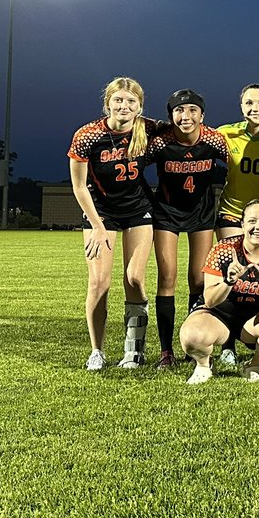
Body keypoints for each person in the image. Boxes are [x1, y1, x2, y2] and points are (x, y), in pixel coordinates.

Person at [68, 77, 157, 370]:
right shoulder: (87, 135)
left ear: (140, 107)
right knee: (98, 282)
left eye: (131, 101)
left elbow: (184, 129)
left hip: (138, 209)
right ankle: (97, 350)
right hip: (100, 212)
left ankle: (134, 350)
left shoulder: (148, 129)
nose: (124, 106)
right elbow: (79, 187)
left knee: (134, 278)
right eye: (118, 100)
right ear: (108, 104)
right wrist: (97, 225)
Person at [145, 88, 229, 368]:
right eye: (179, 111)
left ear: (202, 116)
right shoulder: (160, 143)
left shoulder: (214, 140)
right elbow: (133, 166)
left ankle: (194, 346)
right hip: (167, 213)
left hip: (201, 214)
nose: (186, 116)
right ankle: (166, 351)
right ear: (171, 116)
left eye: (193, 110)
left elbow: (238, 162)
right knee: (167, 277)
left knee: (198, 280)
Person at [179, 200, 259, 384]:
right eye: (252, 221)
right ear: (242, 224)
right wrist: (228, 281)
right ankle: (203, 365)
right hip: (218, 315)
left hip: (254, 320)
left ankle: (254, 365)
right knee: (192, 336)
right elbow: (209, 300)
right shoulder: (224, 249)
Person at [216, 83, 259, 239]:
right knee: (234, 262)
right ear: (242, 107)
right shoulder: (225, 134)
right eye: (249, 103)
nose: (255, 108)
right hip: (233, 213)